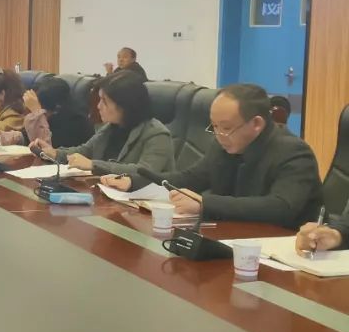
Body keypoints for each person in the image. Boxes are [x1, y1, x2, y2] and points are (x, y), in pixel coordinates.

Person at [104, 83, 323, 229]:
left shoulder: (294, 153)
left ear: (257, 124)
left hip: (284, 249)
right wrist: (133, 181)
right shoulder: (224, 144)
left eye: (225, 127)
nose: (218, 135)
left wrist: (204, 203)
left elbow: (280, 207)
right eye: (214, 126)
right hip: (233, 237)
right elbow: (191, 178)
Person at [32, 70, 173, 177]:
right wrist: (54, 153)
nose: (98, 106)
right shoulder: (111, 127)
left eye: (104, 101)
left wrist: (93, 165)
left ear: (125, 105)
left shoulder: (156, 134)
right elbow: (85, 151)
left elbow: (144, 172)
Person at [15, 75, 95, 148]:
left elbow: (45, 150)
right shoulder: (52, 116)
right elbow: (27, 137)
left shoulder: (77, 124)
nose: (32, 113)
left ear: (57, 108)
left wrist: (37, 113)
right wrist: (16, 137)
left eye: (39, 107)